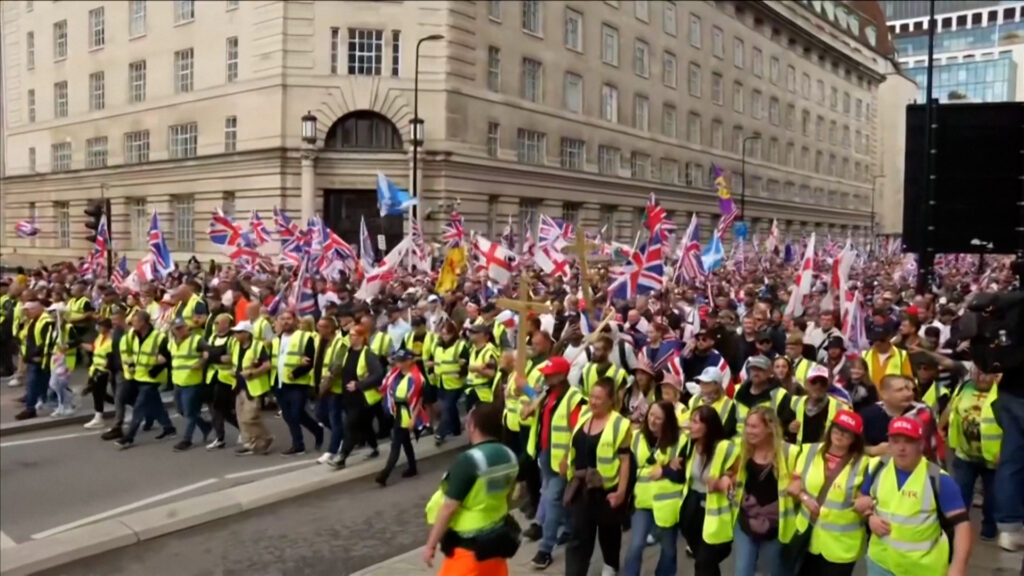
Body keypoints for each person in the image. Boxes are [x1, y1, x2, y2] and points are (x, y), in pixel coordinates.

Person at [856, 416, 973, 576]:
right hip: (880, 562)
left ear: (920, 444)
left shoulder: (938, 479)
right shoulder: (877, 468)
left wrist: (958, 567)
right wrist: (870, 517)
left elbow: (962, 526)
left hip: (922, 569)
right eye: (895, 441)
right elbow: (861, 499)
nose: (901, 448)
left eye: (908, 441)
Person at [423, 402, 519, 576]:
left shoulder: (469, 460)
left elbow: (448, 507)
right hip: (497, 541)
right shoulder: (510, 455)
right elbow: (508, 494)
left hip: (468, 550)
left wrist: (431, 545)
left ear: (473, 426)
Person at [715, 406, 799, 576]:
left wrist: (799, 487)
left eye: (754, 427)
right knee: (742, 571)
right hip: (745, 522)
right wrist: (725, 477)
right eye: (747, 425)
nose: (748, 431)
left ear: (769, 427)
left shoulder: (789, 452)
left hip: (776, 526)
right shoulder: (742, 449)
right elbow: (731, 470)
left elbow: (802, 479)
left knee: (776, 571)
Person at [787, 410, 869, 576]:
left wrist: (868, 503)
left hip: (841, 546)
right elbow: (793, 485)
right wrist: (804, 498)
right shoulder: (809, 451)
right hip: (807, 536)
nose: (840, 434)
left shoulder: (864, 463)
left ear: (855, 438)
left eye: (847, 432)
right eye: (837, 428)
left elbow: (870, 497)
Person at [521, 356, 585, 570]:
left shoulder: (574, 398)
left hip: (560, 461)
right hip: (545, 456)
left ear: (560, 376)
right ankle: (568, 529)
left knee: (551, 500)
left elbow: (577, 432)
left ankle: (545, 550)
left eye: (549, 374)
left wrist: (568, 457)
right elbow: (534, 413)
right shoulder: (547, 394)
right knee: (556, 499)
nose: (545, 377)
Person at [563, 378, 631, 576]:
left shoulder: (620, 424)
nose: (593, 401)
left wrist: (621, 492)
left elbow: (625, 461)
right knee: (578, 537)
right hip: (581, 488)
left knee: (608, 533)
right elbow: (574, 442)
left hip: (605, 491)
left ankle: (610, 565)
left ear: (610, 400)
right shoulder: (585, 414)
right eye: (591, 396)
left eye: (598, 398)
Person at [623, 400, 685, 576]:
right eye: (651, 415)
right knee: (636, 545)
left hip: (667, 505)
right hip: (642, 502)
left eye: (658, 418)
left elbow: (683, 474)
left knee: (668, 550)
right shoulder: (636, 437)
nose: (652, 421)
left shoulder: (680, 441)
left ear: (668, 421)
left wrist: (664, 470)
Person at [942, 365, 1000, 541]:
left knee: (992, 497)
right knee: (960, 493)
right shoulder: (964, 387)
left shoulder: (1004, 393)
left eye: (986, 374)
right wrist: (939, 428)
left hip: (993, 459)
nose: (981, 378)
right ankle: (958, 528)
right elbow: (950, 409)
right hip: (964, 455)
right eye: (978, 373)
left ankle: (989, 528)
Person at [681, 405, 736, 576]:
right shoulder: (690, 444)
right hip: (691, 505)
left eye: (696, 422)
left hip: (714, 511)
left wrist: (726, 477)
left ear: (708, 426)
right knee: (704, 562)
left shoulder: (725, 447)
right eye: (691, 420)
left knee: (704, 563)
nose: (691, 425)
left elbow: (740, 470)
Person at [115, 311, 176, 449]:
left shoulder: (159, 337)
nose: (132, 324)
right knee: (156, 405)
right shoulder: (134, 336)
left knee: (139, 407)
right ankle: (169, 428)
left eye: (135, 321)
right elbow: (132, 354)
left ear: (144, 322)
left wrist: (155, 368)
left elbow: (167, 358)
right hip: (139, 376)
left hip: (152, 378)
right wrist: (131, 367)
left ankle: (129, 437)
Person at [329, 324, 385, 469]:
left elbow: (378, 375)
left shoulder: (368, 354)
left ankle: (342, 457)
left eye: (353, 335)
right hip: (348, 396)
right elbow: (336, 366)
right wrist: (333, 369)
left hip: (364, 397)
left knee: (350, 426)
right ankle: (374, 447)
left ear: (361, 337)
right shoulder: (346, 351)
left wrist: (359, 384)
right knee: (365, 425)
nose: (350, 338)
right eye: (350, 335)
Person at [271, 310, 323, 456]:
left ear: (295, 321)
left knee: (296, 413)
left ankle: (302, 442)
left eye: (288, 319)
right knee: (288, 415)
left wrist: (295, 373)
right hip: (280, 382)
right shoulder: (276, 340)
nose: (285, 322)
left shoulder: (305, 337)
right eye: (282, 319)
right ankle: (301, 442)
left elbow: (310, 361)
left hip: (297, 383)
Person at [376, 349, 421, 485]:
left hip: (406, 412)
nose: (398, 363)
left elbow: (418, 400)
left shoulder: (416, 378)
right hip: (396, 410)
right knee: (405, 441)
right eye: (397, 360)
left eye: (401, 361)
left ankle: (385, 474)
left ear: (410, 361)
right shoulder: (395, 374)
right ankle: (412, 467)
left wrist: (413, 418)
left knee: (396, 443)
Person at [167, 317, 211, 451]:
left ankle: (187, 440)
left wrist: (201, 363)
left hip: (192, 382)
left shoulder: (196, 340)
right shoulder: (172, 342)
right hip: (178, 381)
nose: (180, 330)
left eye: (182, 327)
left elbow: (208, 352)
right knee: (181, 410)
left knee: (190, 412)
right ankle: (205, 426)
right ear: (173, 331)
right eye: (177, 328)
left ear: (187, 327)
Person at [232, 320, 274, 455]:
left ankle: (265, 437)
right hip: (239, 386)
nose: (235, 335)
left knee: (249, 418)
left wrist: (252, 373)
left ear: (247, 334)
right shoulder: (236, 346)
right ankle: (251, 443)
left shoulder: (257, 346)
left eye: (238, 332)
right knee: (240, 418)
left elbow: (267, 365)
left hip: (254, 387)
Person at [203, 313, 239, 449]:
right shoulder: (212, 337)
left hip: (226, 378)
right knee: (213, 408)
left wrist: (213, 356)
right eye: (215, 323)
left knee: (223, 408)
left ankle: (242, 428)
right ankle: (219, 437)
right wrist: (217, 356)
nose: (215, 325)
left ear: (226, 324)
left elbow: (230, 358)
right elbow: (206, 354)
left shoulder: (232, 339)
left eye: (218, 323)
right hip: (212, 376)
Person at [733, 355, 795, 435]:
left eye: (760, 369)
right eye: (753, 369)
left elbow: (786, 426)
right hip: (738, 443)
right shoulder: (737, 391)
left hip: (767, 443)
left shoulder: (780, 394)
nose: (756, 373)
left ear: (770, 373)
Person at [432, 321, 469, 445]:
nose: (444, 336)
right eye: (442, 334)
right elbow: (435, 361)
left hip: (455, 383)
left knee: (447, 407)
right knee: (451, 407)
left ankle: (441, 432)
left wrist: (459, 374)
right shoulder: (437, 346)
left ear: (453, 334)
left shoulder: (460, 346)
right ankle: (456, 429)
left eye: (447, 334)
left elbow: (467, 363)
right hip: (441, 382)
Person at [788, 365, 844, 445]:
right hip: (799, 454)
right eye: (814, 382)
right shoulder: (794, 402)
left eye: (823, 383)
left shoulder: (840, 408)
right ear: (806, 384)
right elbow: (782, 428)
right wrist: (789, 428)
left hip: (823, 454)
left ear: (827, 385)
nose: (818, 386)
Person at [15, 301, 52, 420]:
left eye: (30, 310)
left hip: (38, 358)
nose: (27, 312)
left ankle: (30, 408)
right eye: (25, 310)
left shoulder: (46, 321)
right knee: (43, 383)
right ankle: (46, 402)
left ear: (39, 309)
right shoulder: (32, 320)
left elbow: (46, 341)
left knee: (33, 383)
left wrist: (36, 354)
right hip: (31, 357)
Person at [81, 317, 115, 429]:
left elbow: (112, 356)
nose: (98, 328)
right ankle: (122, 405)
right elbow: (94, 348)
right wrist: (80, 343)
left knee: (98, 393)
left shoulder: (111, 340)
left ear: (106, 327)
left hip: (105, 370)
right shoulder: (100, 337)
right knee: (99, 393)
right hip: (96, 369)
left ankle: (99, 417)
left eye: (100, 326)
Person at [688, 366, 738, 438]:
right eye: (701, 381)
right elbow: (689, 421)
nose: (702, 384)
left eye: (707, 382)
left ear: (717, 384)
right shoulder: (694, 399)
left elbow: (726, 430)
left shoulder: (729, 404)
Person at [465, 324, 499, 407]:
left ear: (486, 336)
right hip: (471, 391)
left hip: (483, 395)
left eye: (475, 332)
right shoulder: (473, 349)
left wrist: (476, 369)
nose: (471, 334)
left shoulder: (489, 351)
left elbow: (491, 374)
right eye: (470, 332)